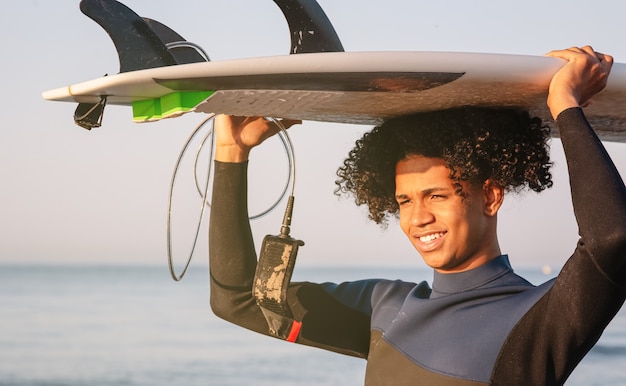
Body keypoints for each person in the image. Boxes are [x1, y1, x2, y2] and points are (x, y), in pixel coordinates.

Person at [208, 46, 626, 385]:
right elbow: (238, 301)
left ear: (492, 196)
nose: (418, 217)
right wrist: (231, 155)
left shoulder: (536, 320)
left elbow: (611, 238)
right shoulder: (383, 306)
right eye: (405, 201)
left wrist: (565, 106)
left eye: (437, 195)